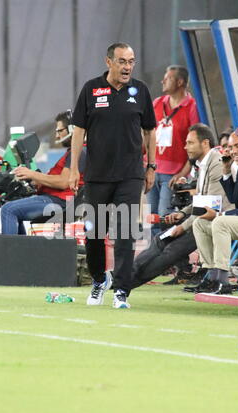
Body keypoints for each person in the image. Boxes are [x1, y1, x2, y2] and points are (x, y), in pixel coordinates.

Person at [69, 42, 156, 309]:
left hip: (130, 175)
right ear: (108, 62)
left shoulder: (140, 91)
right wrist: (74, 167)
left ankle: (121, 291)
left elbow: (150, 131)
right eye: (122, 61)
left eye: (131, 61)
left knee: (125, 232)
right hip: (97, 175)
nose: (127, 67)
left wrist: (151, 166)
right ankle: (98, 280)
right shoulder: (91, 89)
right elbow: (79, 131)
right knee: (93, 233)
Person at [131, 123, 232, 289]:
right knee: (160, 239)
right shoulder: (203, 164)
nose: (185, 147)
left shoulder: (216, 164)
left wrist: (182, 226)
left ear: (205, 143)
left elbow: (212, 206)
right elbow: (201, 200)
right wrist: (182, 213)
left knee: (172, 249)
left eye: (190, 143)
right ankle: (127, 275)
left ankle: (127, 281)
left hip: (214, 220)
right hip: (202, 217)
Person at [1, 111, 86, 235]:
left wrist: (32, 174)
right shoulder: (75, 152)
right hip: (58, 199)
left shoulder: (79, 152)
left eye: (59, 131)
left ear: (72, 129)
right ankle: (18, 252)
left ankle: (8, 253)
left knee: (8, 210)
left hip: (59, 201)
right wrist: (36, 180)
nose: (57, 136)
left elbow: (63, 182)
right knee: (13, 209)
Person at [191, 125, 238, 294]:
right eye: (230, 147)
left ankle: (224, 280)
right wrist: (226, 171)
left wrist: (219, 214)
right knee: (199, 223)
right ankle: (211, 275)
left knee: (221, 222)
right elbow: (235, 201)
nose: (233, 151)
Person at [148, 65, 199, 234]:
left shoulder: (191, 106)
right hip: (153, 170)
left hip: (173, 174)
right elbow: (147, 135)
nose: (163, 81)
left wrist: (182, 174)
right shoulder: (157, 104)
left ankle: (169, 255)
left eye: (168, 78)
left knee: (165, 216)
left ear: (180, 82)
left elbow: (195, 145)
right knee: (153, 217)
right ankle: (155, 255)